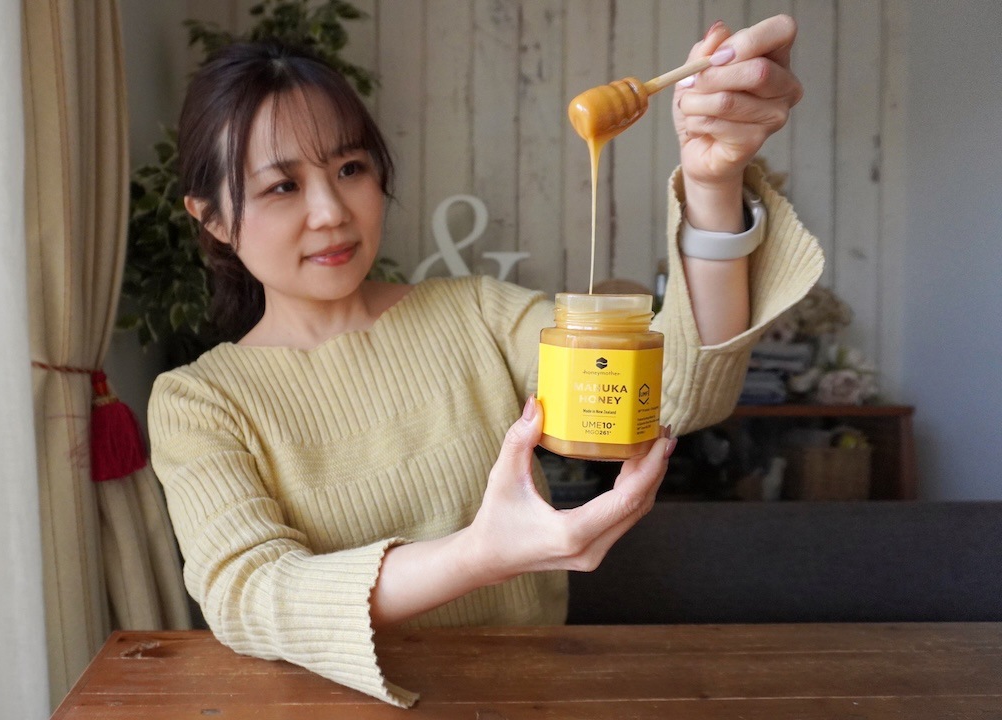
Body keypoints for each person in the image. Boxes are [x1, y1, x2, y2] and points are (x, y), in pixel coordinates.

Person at [149, 15, 822, 707]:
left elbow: (676, 391)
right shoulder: (201, 401)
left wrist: (713, 184)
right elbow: (248, 594)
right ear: (213, 219)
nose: (330, 212)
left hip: (528, 698)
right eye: (281, 187)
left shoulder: (476, 314)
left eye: (350, 169)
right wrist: (479, 556)